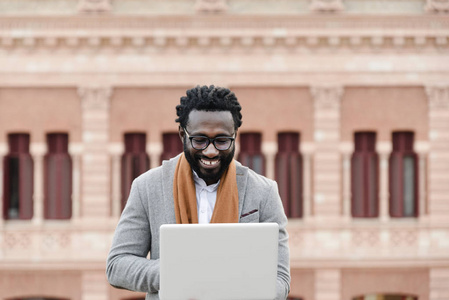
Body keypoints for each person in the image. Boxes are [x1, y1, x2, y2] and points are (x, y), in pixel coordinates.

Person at [106, 85, 291, 299]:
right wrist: (179, 272)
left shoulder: (264, 192)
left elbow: (281, 279)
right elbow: (117, 266)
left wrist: (238, 284)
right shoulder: (147, 186)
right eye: (199, 140)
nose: (210, 151)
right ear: (182, 134)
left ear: (235, 136)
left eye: (222, 141)